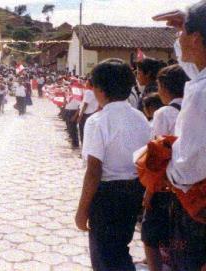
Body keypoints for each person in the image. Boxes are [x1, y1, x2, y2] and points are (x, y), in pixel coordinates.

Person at [75, 59, 151, 271]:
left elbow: (94, 171)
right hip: (134, 190)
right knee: (119, 249)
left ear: (99, 89)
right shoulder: (140, 118)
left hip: (107, 195)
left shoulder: (98, 121)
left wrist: (82, 210)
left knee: (103, 256)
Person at [153, 4, 206, 270]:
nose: (179, 38)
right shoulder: (201, 80)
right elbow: (190, 64)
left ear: (195, 38)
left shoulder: (200, 92)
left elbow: (188, 166)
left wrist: (164, 168)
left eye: (182, 32)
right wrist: (185, 24)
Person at [141, 65, 189, 271]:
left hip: (164, 183)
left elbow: (156, 156)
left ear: (164, 87)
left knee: (150, 232)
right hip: (188, 184)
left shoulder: (163, 112)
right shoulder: (193, 107)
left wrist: (149, 192)